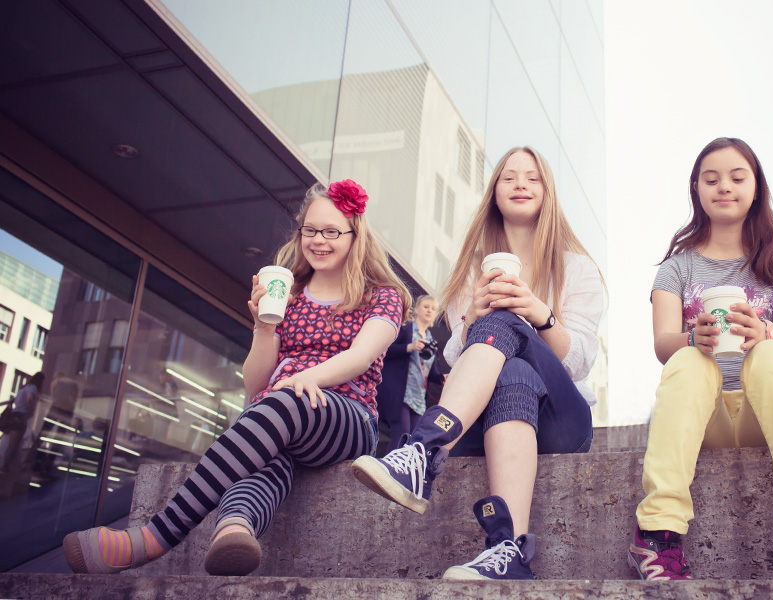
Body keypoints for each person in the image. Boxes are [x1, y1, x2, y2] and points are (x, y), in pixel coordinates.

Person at [62, 179, 408, 576]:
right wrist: (263, 327)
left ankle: (155, 536)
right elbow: (254, 385)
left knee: (283, 404)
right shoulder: (289, 292)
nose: (318, 240)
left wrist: (301, 381)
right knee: (267, 455)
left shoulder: (381, 295)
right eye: (310, 230)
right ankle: (234, 529)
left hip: (347, 418)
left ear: (354, 235)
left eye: (332, 232)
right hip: (278, 414)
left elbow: (360, 357)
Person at [352, 146, 606, 581]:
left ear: (548, 193)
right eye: (508, 177)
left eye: (532, 177)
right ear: (494, 193)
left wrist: (537, 312)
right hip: (486, 424)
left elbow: (579, 362)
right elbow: (457, 357)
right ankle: (509, 552)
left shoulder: (577, 268)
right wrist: (473, 315)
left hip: (561, 421)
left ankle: (424, 449)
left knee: (509, 324)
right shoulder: (473, 270)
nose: (521, 184)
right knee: (514, 370)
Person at [628, 138, 773, 581]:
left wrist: (762, 332)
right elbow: (661, 344)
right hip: (701, 415)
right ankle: (657, 534)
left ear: (756, 187)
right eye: (711, 179)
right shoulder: (676, 268)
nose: (724, 187)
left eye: (736, 177)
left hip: (760, 412)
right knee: (688, 359)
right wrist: (694, 337)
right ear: (696, 189)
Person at [375, 295, 447, 453]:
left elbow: (431, 372)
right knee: (401, 433)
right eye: (426, 307)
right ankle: (386, 469)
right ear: (417, 309)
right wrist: (410, 347)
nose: (429, 311)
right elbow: (384, 350)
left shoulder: (430, 339)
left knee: (413, 439)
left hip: (418, 396)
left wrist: (443, 377)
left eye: (433, 309)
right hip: (401, 392)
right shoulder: (406, 328)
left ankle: (399, 472)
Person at [0, 372, 45, 474]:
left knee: (11, 442)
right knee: (15, 444)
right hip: (21, 417)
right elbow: (29, 398)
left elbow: (14, 401)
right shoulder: (33, 388)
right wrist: (32, 409)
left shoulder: (23, 387)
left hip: (14, 415)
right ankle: (5, 467)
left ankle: (5, 466)